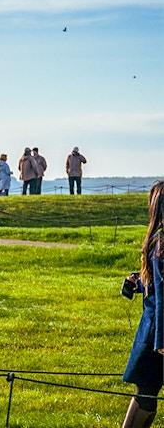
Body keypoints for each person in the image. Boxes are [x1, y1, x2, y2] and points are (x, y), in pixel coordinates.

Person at [120, 180, 164, 428]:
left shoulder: (160, 243)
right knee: (146, 393)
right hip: (157, 334)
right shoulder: (161, 243)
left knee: (146, 394)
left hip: (156, 335)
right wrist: (139, 281)